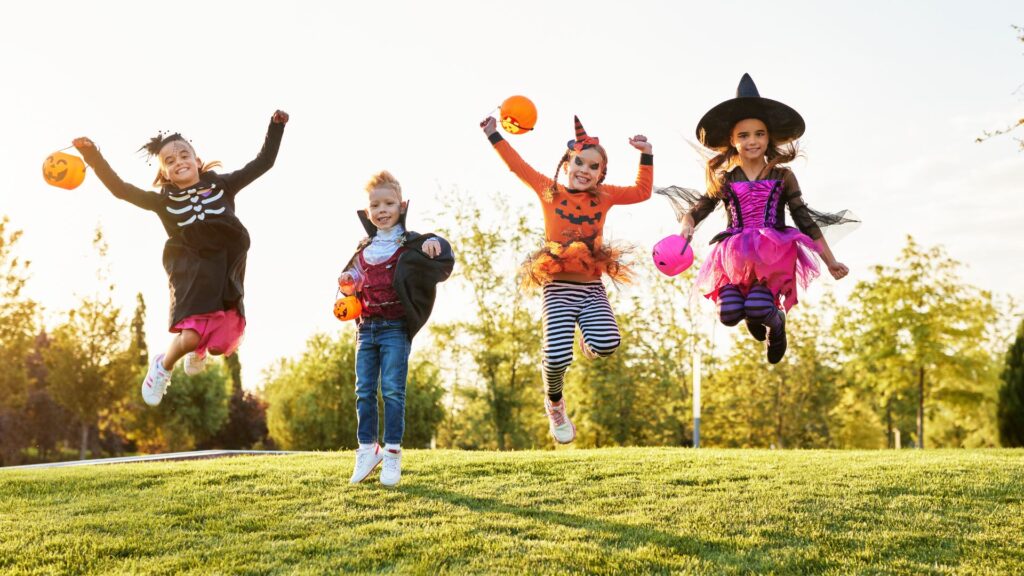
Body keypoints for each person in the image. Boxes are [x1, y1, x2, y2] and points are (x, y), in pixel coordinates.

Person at [72, 110, 288, 405]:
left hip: (225, 268)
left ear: (197, 161)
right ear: (164, 174)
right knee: (191, 337)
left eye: (184, 155)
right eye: (170, 162)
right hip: (192, 271)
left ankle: (200, 351)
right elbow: (121, 189)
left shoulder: (222, 186)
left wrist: (275, 128)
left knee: (220, 344)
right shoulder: (163, 201)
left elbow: (264, 162)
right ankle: (162, 367)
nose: (179, 162)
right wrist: (91, 155)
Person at [481, 114, 653, 444]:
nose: (585, 171)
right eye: (580, 163)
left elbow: (643, 191)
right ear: (567, 162)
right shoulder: (550, 192)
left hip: (590, 287)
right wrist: (494, 135)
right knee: (557, 357)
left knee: (607, 343)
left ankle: (589, 339)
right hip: (557, 287)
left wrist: (646, 154)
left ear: (601, 174)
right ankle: (555, 404)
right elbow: (517, 166)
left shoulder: (605, 197)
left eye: (593, 167)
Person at [660, 73, 854, 363]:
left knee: (760, 306)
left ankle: (775, 322)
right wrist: (685, 227)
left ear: (769, 137)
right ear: (732, 140)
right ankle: (755, 314)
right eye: (744, 135)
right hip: (735, 256)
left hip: (774, 253)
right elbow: (699, 208)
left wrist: (830, 261)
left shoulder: (782, 176)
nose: (753, 141)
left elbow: (805, 220)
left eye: (759, 134)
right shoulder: (726, 179)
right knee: (727, 314)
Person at [339, 171, 454, 486]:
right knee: (363, 391)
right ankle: (366, 449)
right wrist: (348, 285)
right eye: (375, 205)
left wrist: (435, 243)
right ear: (368, 211)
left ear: (402, 206)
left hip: (395, 329)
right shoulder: (363, 249)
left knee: (391, 391)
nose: (382, 210)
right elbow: (349, 283)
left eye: (389, 203)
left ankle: (391, 454)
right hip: (366, 330)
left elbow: (443, 256)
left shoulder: (410, 244)